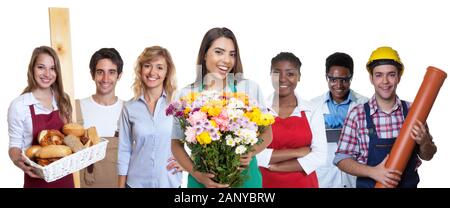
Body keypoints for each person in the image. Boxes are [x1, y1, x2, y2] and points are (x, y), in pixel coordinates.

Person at [171, 27, 273, 188]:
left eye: (232, 54)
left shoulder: (249, 88)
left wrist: (251, 151)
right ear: (204, 54)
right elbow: (176, 144)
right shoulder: (186, 95)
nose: (227, 60)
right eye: (219, 52)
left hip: (245, 179)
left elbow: (268, 133)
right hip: (202, 180)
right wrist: (197, 175)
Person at [334, 46, 437, 188]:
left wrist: (424, 141)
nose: (385, 81)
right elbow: (341, 159)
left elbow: (428, 155)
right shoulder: (357, 114)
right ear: (371, 78)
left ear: (399, 77)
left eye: (391, 74)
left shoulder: (414, 111)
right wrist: (373, 172)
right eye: (379, 75)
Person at [257, 52, 327, 188]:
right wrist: (298, 152)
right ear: (270, 75)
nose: (282, 79)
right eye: (277, 73)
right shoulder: (259, 111)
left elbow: (320, 155)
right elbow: (255, 155)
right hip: (265, 184)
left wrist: (276, 167)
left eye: (290, 74)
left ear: (299, 77)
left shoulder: (312, 110)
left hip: (304, 184)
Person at [8, 46, 74, 188]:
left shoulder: (63, 99)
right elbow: (14, 147)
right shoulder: (20, 105)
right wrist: (18, 161)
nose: (47, 74)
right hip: (36, 179)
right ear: (32, 69)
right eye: (41, 67)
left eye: (52, 68)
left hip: (65, 179)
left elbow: (70, 138)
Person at [117, 46, 183, 188]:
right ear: (140, 70)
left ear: (167, 72)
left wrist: (190, 164)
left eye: (159, 67)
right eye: (147, 66)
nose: (153, 72)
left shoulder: (177, 105)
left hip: (169, 183)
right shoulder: (129, 108)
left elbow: (198, 137)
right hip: (136, 183)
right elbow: (124, 150)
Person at [311, 52, 368, 188]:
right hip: (324, 177)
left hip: (355, 176)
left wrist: (349, 127)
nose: (338, 85)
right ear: (326, 77)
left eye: (344, 80)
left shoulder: (365, 104)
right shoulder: (313, 106)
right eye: (333, 79)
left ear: (351, 78)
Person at [78, 48, 124, 188]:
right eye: (100, 72)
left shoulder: (129, 110)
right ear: (92, 74)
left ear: (119, 75)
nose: (105, 79)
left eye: (111, 72)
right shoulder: (75, 108)